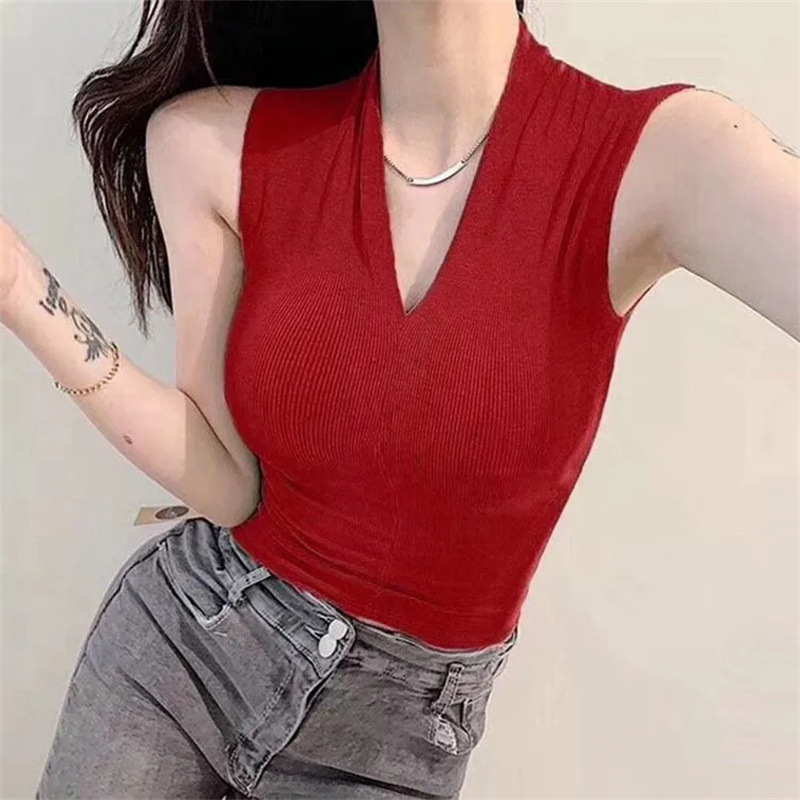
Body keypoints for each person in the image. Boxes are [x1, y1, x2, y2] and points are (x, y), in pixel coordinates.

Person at [1, 0, 797, 797]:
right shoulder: (210, 142)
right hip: (181, 652)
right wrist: (17, 289)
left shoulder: (667, 157)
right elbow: (229, 483)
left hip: (392, 744)